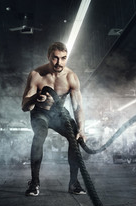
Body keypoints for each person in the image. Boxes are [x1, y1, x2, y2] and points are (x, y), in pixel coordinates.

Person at [21, 42, 86, 196]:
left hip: (59, 114)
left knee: (75, 137)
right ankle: (34, 183)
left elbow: (78, 107)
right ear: (48, 57)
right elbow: (25, 107)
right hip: (40, 114)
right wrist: (37, 97)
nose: (59, 63)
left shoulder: (71, 77)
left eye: (63, 58)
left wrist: (82, 129)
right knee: (39, 136)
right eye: (55, 58)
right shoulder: (36, 75)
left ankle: (73, 183)